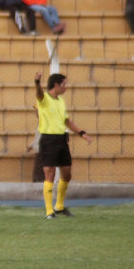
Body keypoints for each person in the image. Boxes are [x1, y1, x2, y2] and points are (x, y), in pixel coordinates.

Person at [34, 72, 92, 219]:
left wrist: (82, 133)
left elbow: (67, 121)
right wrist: (37, 82)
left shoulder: (60, 101)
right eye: (64, 84)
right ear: (56, 85)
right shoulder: (44, 98)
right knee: (50, 174)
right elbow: (39, 94)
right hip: (48, 140)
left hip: (61, 140)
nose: (66, 87)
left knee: (67, 174)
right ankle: (49, 212)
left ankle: (59, 206)